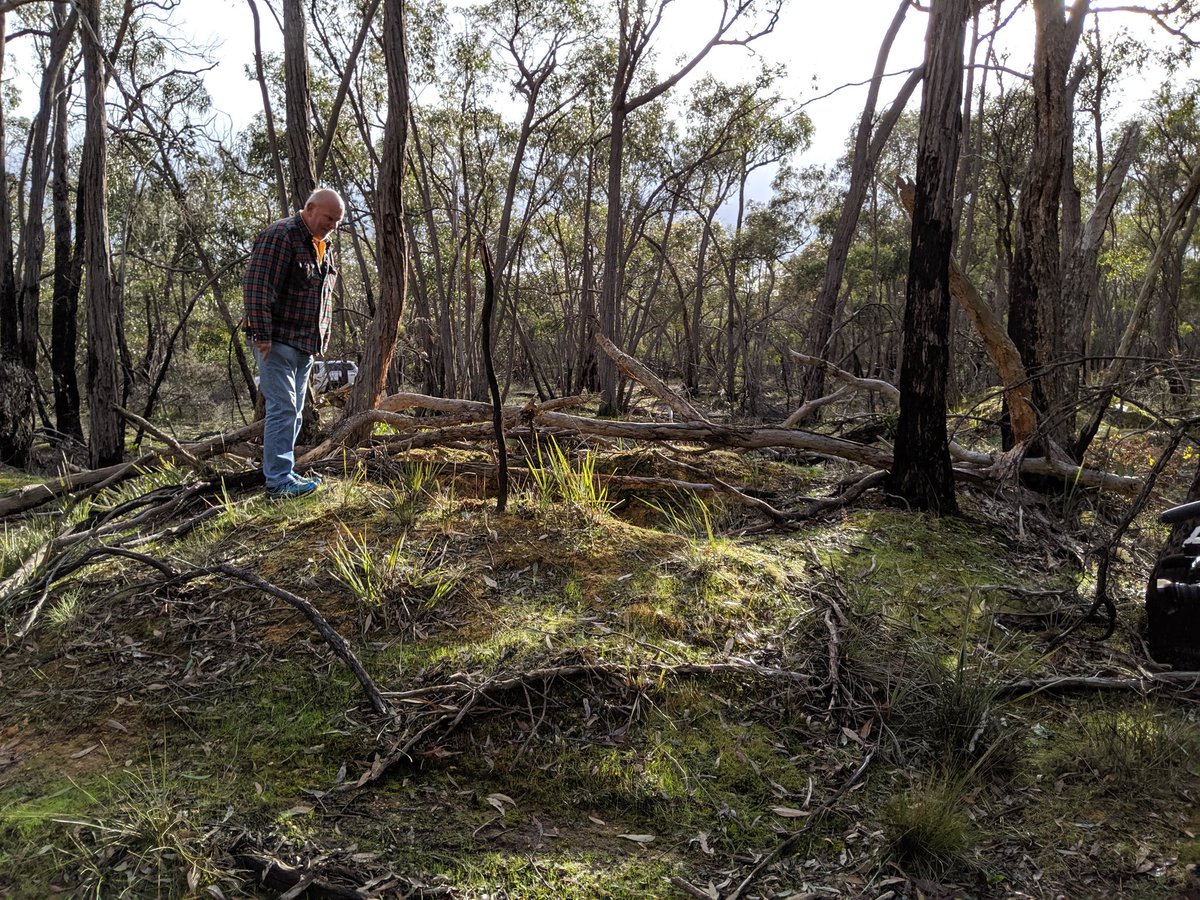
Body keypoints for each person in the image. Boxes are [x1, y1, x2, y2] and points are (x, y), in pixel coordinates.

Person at [242, 188, 344, 498]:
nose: (332, 225)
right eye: (329, 218)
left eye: (338, 221)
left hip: (304, 345)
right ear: (310, 208)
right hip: (276, 341)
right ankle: (277, 482)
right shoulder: (281, 234)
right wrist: (261, 334)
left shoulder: (320, 246)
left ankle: (283, 474)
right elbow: (257, 285)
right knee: (283, 409)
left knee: (295, 411)